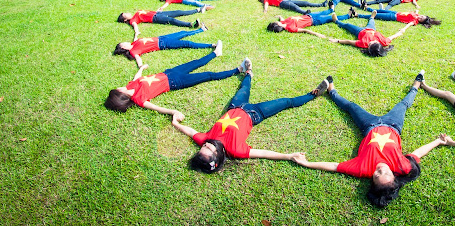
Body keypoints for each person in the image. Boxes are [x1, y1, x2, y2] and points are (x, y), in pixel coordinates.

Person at [292, 73, 447, 208]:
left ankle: (331, 91)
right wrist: (437, 142)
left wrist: (307, 163)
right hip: (393, 124)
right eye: (385, 172)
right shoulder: (402, 166)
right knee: (403, 105)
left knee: (351, 107)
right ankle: (416, 85)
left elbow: (334, 166)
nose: (380, 169)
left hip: (369, 125)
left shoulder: (362, 169)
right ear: (394, 175)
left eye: (377, 175)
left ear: (372, 180)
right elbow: (418, 153)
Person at [172, 63, 329, 173]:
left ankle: (248, 72)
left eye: (203, 148)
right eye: (208, 149)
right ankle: (314, 94)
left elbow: (190, 131)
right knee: (287, 102)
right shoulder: (235, 150)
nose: (205, 145)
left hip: (235, 106)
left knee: (245, 87)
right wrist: (288, 156)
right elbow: (262, 153)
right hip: (255, 113)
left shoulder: (205, 140)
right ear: (217, 154)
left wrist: (175, 122)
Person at [104, 41, 244, 115]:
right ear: (120, 95)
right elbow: (156, 108)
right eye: (117, 90)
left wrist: (141, 68)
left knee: (196, 62)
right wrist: (173, 112)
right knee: (208, 75)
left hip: (169, 73)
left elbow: (137, 77)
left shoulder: (130, 86)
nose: (118, 87)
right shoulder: (138, 99)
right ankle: (238, 70)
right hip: (175, 82)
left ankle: (215, 53)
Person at [113, 23, 214, 66]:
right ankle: (210, 45)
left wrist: (136, 32)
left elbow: (136, 37)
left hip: (161, 38)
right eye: (123, 43)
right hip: (162, 44)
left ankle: (201, 29)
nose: (125, 42)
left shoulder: (133, 43)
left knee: (183, 33)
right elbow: (137, 58)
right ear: (123, 47)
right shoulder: (133, 51)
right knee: (187, 43)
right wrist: (141, 66)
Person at [327, 10, 413, 57]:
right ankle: (372, 17)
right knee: (371, 22)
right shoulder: (384, 42)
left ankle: (336, 21)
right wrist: (400, 32)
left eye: (369, 45)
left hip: (360, 31)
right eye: (373, 43)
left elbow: (349, 41)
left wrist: (337, 40)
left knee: (347, 25)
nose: (370, 42)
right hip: (372, 29)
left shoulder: (363, 43)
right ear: (378, 43)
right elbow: (393, 37)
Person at [117, 9, 205, 38]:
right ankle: (190, 25)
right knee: (171, 20)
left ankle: (197, 10)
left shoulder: (135, 13)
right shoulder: (133, 21)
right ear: (125, 20)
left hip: (157, 13)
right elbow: (135, 26)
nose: (128, 13)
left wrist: (158, 10)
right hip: (155, 18)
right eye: (126, 15)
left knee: (178, 12)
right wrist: (136, 33)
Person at [266, 10, 352, 35]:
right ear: (278, 24)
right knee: (331, 18)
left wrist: (279, 16)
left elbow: (281, 18)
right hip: (314, 21)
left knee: (324, 12)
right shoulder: (290, 28)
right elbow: (305, 31)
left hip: (310, 15)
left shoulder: (283, 22)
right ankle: (348, 16)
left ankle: (331, 9)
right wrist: (318, 34)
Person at [352, 9, 441, 29]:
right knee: (380, 10)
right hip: (395, 12)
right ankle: (366, 7)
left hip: (394, 17)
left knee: (376, 15)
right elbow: (417, 12)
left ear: (421, 22)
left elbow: (408, 25)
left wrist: (402, 29)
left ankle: (357, 15)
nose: (420, 17)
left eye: (421, 18)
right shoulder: (417, 15)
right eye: (422, 16)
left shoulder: (415, 21)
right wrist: (417, 8)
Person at [259, 0, 329, 14]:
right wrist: (265, 10)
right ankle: (305, 12)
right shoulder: (267, 0)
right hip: (282, 3)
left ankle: (322, 4)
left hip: (286, 0)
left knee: (305, 3)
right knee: (295, 7)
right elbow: (266, 5)